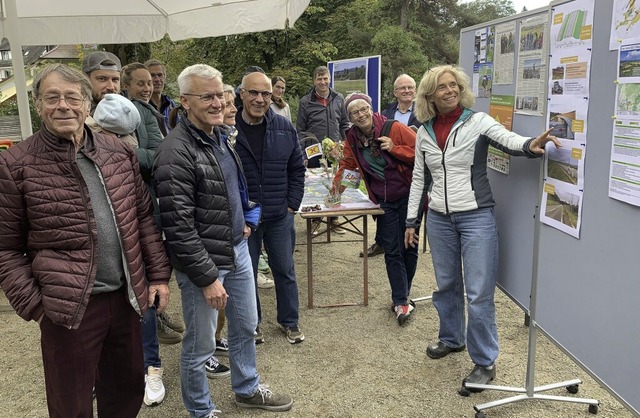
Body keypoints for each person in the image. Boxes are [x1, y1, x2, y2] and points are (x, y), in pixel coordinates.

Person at [0, 63, 171, 417]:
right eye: (52, 97)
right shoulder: (15, 164)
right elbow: (5, 248)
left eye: (72, 97)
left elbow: (142, 219)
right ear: (38, 105)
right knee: (71, 405)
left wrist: (156, 276)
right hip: (68, 309)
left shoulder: (118, 152)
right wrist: (37, 306)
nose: (63, 106)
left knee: (126, 392)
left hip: (126, 300)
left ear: (88, 104)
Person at [404, 65, 561, 391]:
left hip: (476, 216)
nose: (450, 91)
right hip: (439, 218)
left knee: (478, 293)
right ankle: (451, 338)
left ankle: (485, 361)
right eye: (442, 87)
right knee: (446, 284)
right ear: (430, 95)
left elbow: (509, 140)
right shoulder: (423, 131)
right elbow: (420, 178)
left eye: (454, 85)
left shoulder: (477, 121)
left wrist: (531, 144)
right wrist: (411, 221)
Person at [153, 64, 293, 417]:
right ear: (185, 101)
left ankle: (246, 388)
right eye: (208, 96)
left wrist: (248, 218)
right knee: (200, 346)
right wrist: (208, 278)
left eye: (220, 95)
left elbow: (235, 187)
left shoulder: (218, 136)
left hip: (237, 250)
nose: (218, 103)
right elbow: (178, 227)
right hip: (205, 263)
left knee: (245, 325)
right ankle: (201, 410)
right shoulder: (176, 152)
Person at [234, 70, 306, 344]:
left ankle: (290, 321)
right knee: (246, 274)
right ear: (242, 94)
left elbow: (297, 169)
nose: (260, 99)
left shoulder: (284, 127)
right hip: (245, 218)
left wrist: (291, 205)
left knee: (284, 270)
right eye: (253, 92)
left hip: (278, 214)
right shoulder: (228, 129)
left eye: (265, 93)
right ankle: (254, 324)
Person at [334, 92, 418, 325]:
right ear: (349, 117)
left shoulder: (394, 128)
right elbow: (349, 164)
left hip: (410, 195)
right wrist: (336, 190)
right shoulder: (352, 137)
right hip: (384, 200)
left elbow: (421, 154)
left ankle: (404, 295)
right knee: (392, 249)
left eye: (363, 109)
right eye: (354, 112)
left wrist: (394, 148)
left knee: (409, 247)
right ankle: (400, 300)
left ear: (371, 109)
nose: (360, 115)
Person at [362, 74, 421, 259]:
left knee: (408, 214)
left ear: (416, 90)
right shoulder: (387, 112)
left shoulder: (424, 112)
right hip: (386, 171)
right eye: (402, 88)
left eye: (410, 87)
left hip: (410, 171)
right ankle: (382, 242)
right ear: (395, 92)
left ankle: (407, 249)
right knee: (384, 211)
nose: (407, 91)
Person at [297, 66, 350, 234]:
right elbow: (300, 129)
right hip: (314, 150)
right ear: (314, 81)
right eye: (319, 79)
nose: (323, 82)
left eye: (325, 78)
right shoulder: (305, 101)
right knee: (316, 183)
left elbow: (344, 123)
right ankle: (316, 218)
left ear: (329, 79)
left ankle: (333, 218)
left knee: (335, 181)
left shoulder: (339, 98)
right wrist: (302, 152)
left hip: (334, 149)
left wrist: (343, 144)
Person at [145, 58, 177, 136]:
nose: (157, 79)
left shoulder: (170, 104)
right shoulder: (144, 106)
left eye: (160, 75)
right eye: (152, 75)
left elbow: (178, 128)